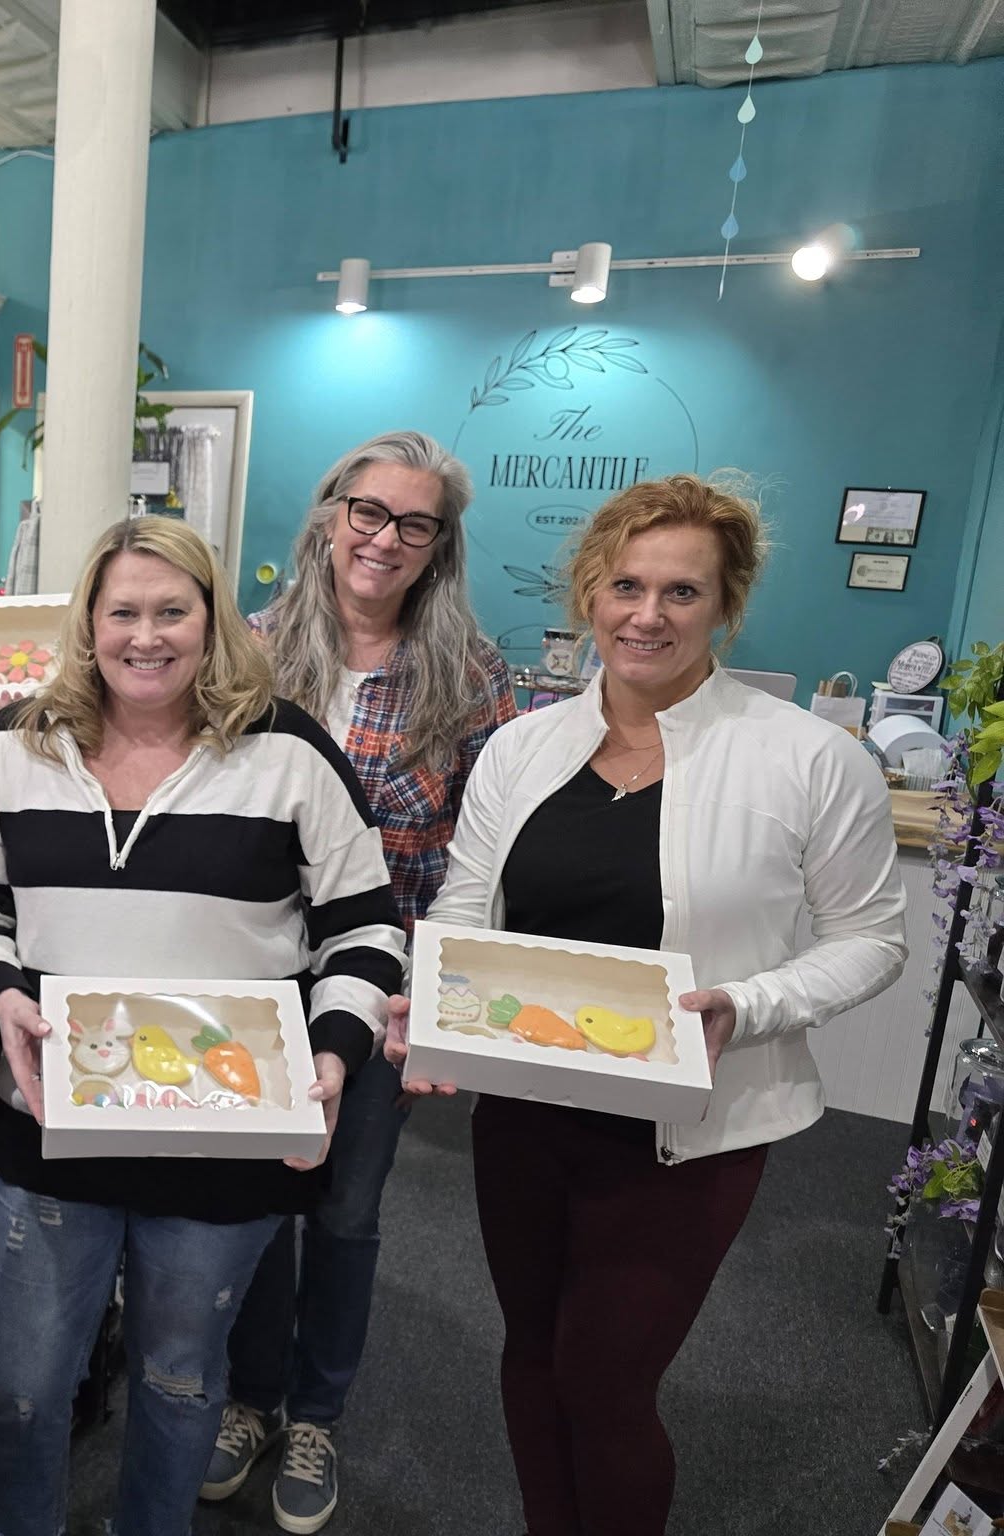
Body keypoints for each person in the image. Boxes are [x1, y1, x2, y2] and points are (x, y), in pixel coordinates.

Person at [388, 473, 906, 1536]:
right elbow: (468, 904)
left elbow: (872, 940)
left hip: (693, 1129)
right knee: (532, 1355)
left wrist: (746, 1005)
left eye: (682, 591)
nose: (647, 615)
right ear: (589, 593)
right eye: (625, 585)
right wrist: (426, 999)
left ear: (725, 605)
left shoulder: (808, 758)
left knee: (604, 1379)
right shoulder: (523, 748)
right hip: (527, 1110)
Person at [0, 516, 408, 1536]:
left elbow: (367, 928)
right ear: (87, 624)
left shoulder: (286, 751)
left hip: (223, 1138)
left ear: (211, 620)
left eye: (171, 612)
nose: (145, 636)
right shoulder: (17, 747)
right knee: (21, 1388)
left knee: (180, 1381)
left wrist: (333, 1050)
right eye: (122, 613)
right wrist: (0, 991)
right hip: (51, 1121)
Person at [206, 430, 515, 1531]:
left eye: (413, 523)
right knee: (255, 1201)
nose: (384, 539)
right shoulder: (244, 652)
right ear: (330, 516)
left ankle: (315, 1414)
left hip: (381, 991)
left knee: (343, 1210)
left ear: (439, 546)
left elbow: (484, 860)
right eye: (367, 512)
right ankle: (248, 1401)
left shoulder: (471, 677)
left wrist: (440, 1010)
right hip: (253, 978)